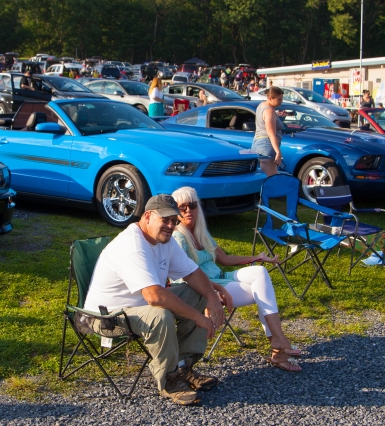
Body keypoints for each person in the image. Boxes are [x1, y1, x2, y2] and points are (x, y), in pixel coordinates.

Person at [82, 194, 225, 405]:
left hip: (138, 307)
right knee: (160, 312)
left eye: (174, 221)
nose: (170, 225)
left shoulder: (163, 240)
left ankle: (184, 366)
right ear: (147, 216)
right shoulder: (132, 245)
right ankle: (169, 379)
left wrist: (212, 296)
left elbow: (192, 273)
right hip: (106, 317)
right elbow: (154, 296)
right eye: (165, 219)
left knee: (196, 293)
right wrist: (199, 317)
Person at [171, 187, 302, 372]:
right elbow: (180, 276)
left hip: (222, 277)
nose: (188, 211)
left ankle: (278, 340)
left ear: (197, 207)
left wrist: (256, 258)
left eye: (192, 205)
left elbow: (224, 259)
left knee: (260, 272)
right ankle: (278, 347)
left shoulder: (201, 232)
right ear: (175, 211)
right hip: (207, 288)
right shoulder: (178, 237)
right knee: (263, 293)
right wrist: (211, 294)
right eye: (182, 207)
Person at [253, 86, 285, 177]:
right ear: (270, 98)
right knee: (271, 178)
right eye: (279, 99)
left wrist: (277, 115)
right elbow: (271, 135)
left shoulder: (262, 105)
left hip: (258, 143)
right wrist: (278, 152)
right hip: (267, 145)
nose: (281, 101)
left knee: (264, 177)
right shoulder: (269, 111)